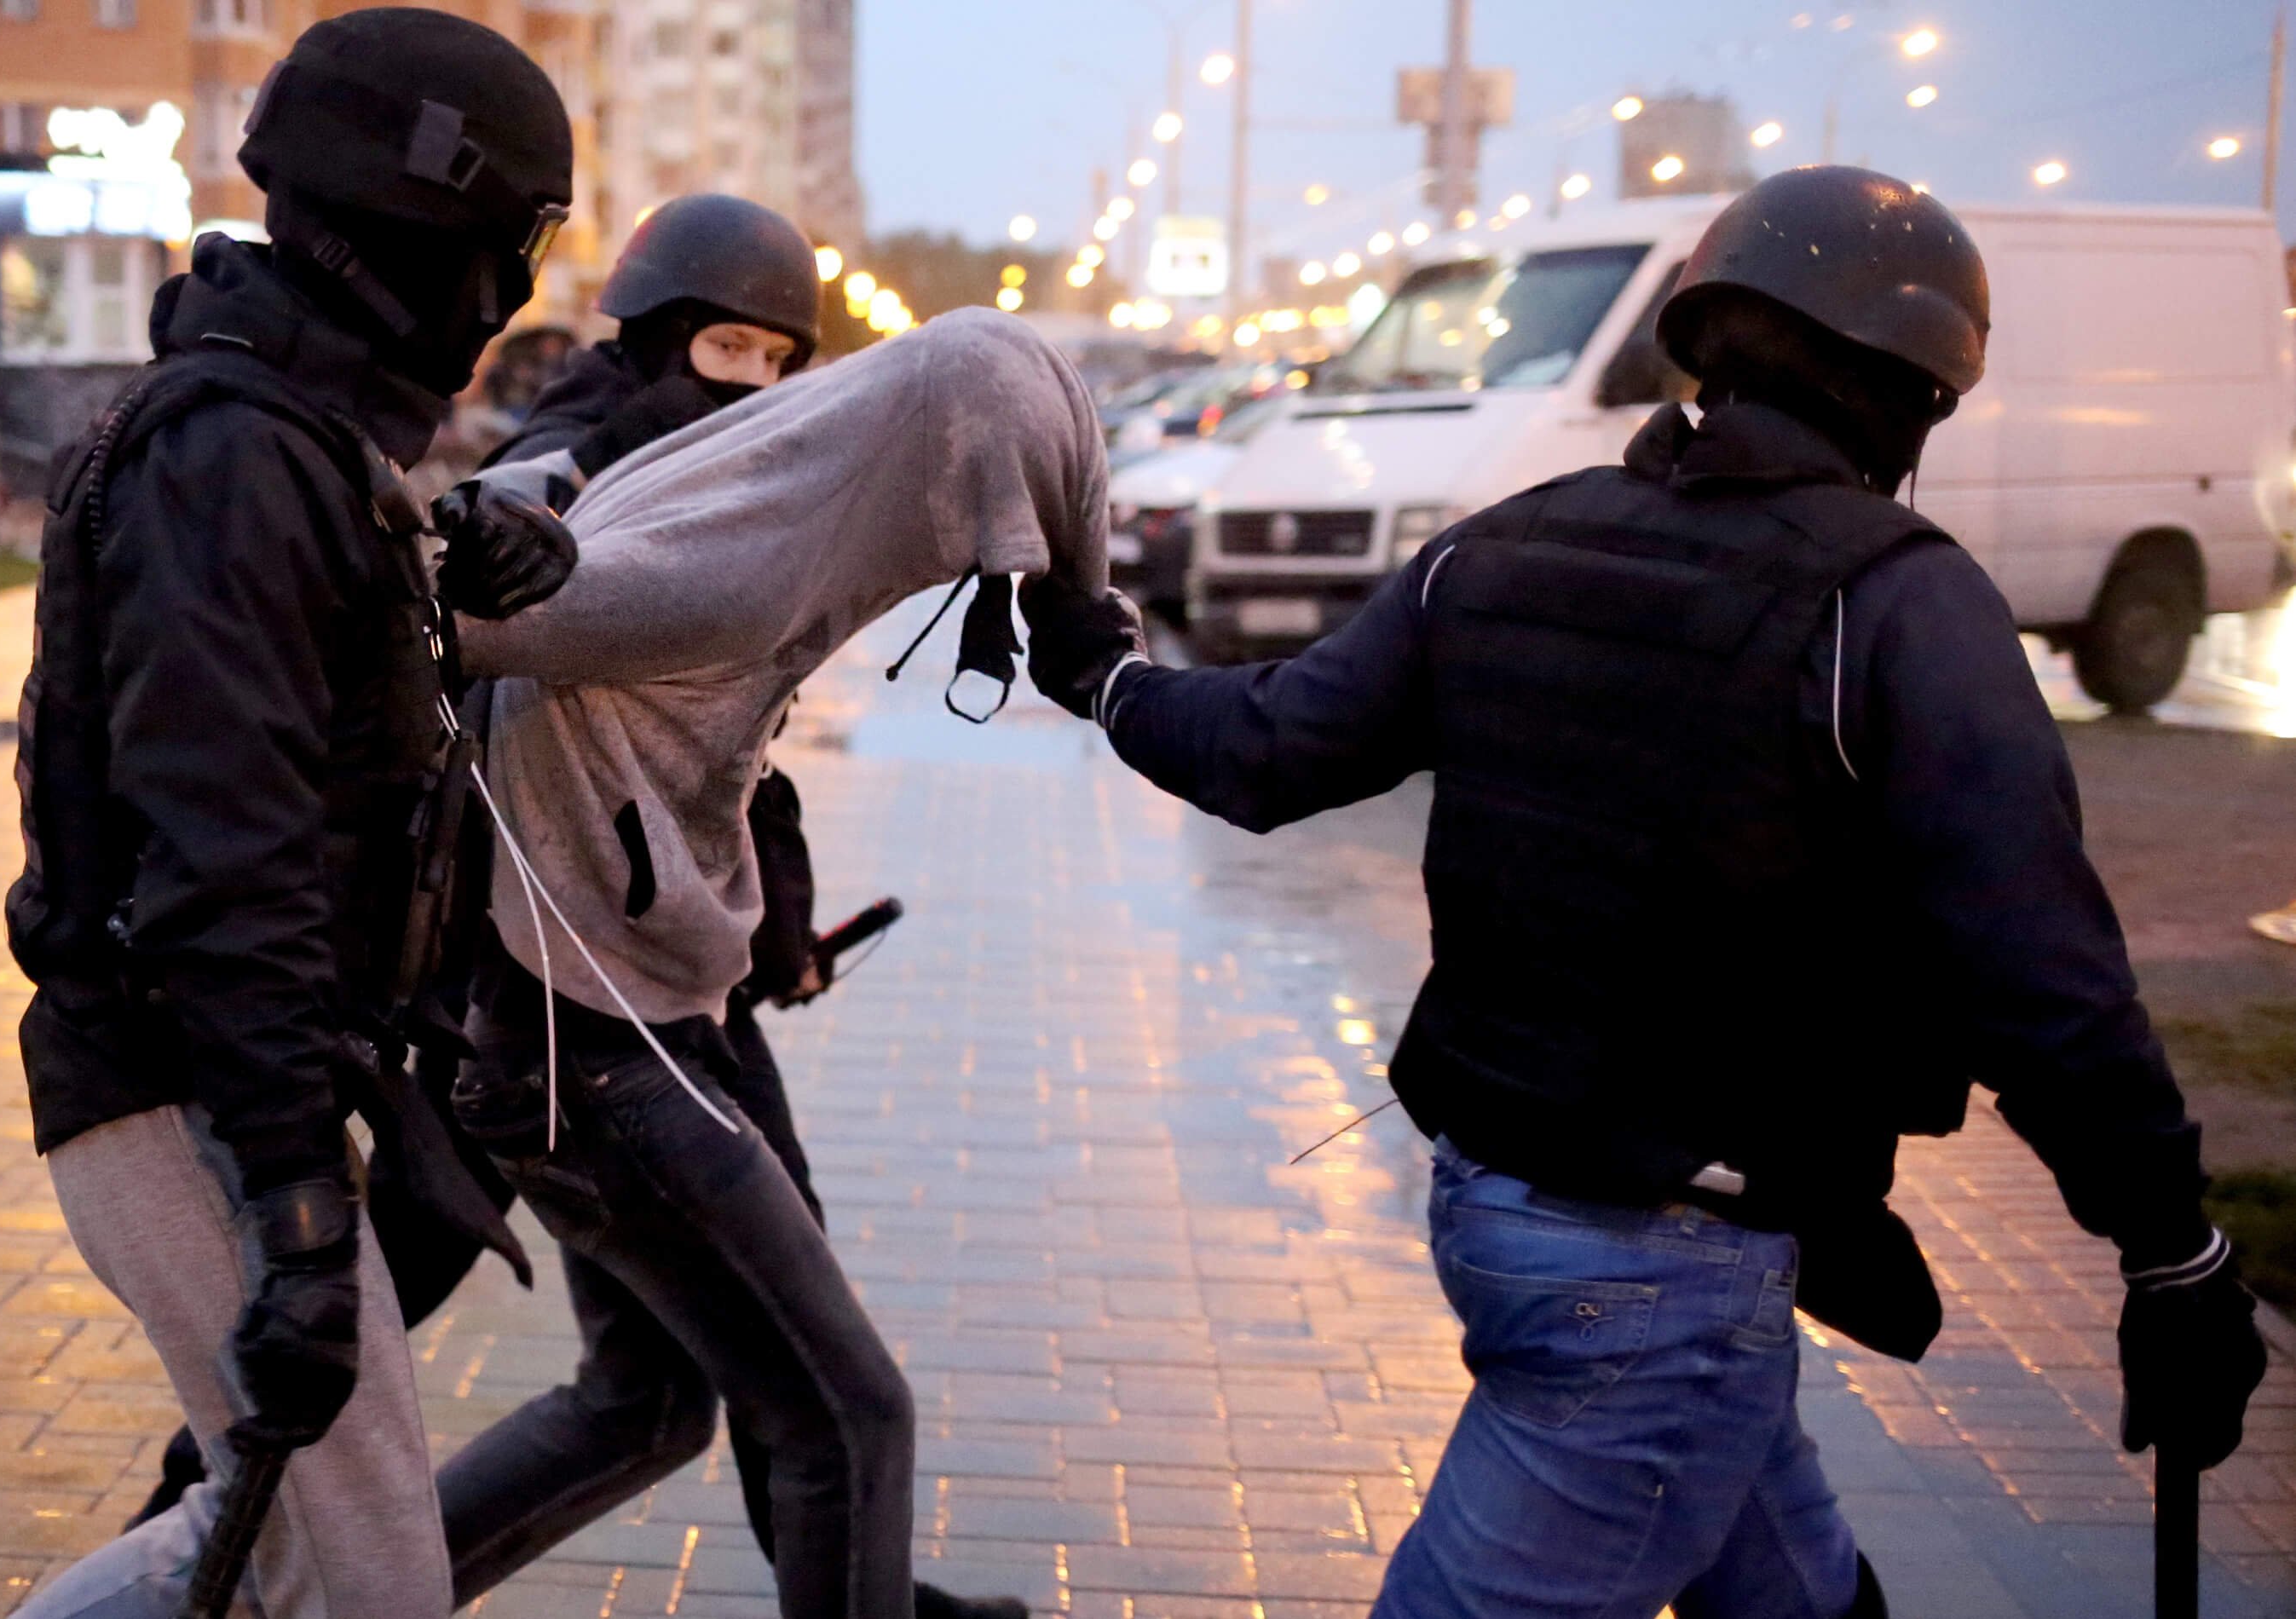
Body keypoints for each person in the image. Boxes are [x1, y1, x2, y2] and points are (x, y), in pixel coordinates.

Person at [1018, 167, 2272, 1619]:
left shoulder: (1502, 545)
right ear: (1912, 395)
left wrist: (1098, 670)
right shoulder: (1900, 601)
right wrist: (2172, 1245)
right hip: (1656, 1288)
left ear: (1704, 340)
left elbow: (1263, 748)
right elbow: (2042, 977)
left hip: (1496, 1206)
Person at [0, 10, 578, 1616]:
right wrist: (298, 1212)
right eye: (510, 237)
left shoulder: (295, 437)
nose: (513, 284)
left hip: (236, 1084)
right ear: (413, 217)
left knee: (256, 1556)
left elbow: (331, 722)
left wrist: (471, 553)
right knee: (373, 1572)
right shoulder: (233, 456)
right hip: (182, 1087)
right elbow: (224, 860)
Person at [434, 307, 1107, 1619]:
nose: (981, 567)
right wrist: (455, 532)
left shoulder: (789, 520)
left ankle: (342, 1593)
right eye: (987, 528)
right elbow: (445, 625)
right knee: (849, 1417)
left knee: (650, 1404)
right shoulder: (739, 569)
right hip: (592, 1047)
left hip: (609, 1015)